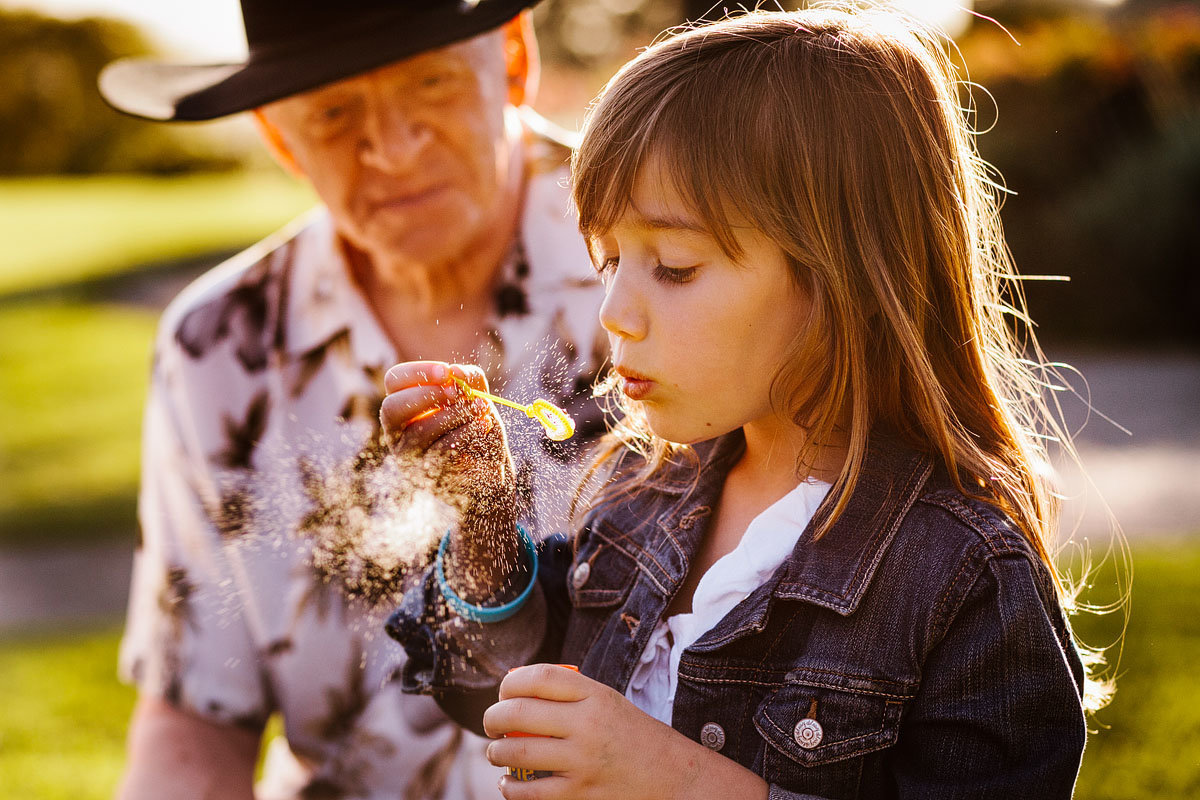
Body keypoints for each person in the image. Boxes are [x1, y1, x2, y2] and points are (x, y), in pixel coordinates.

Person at [379, 6, 1106, 799]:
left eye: (677, 266)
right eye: (611, 258)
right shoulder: (640, 491)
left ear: (848, 279)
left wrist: (679, 782)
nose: (614, 313)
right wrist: (482, 520)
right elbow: (499, 693)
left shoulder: (961, 579)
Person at [98, 1, 608, 798]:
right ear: (278, 134)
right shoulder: (218, 347)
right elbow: (196, 715)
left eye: (431, 84)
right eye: (334, 112)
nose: (393, 150)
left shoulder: (675, 257)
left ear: (513, 55)